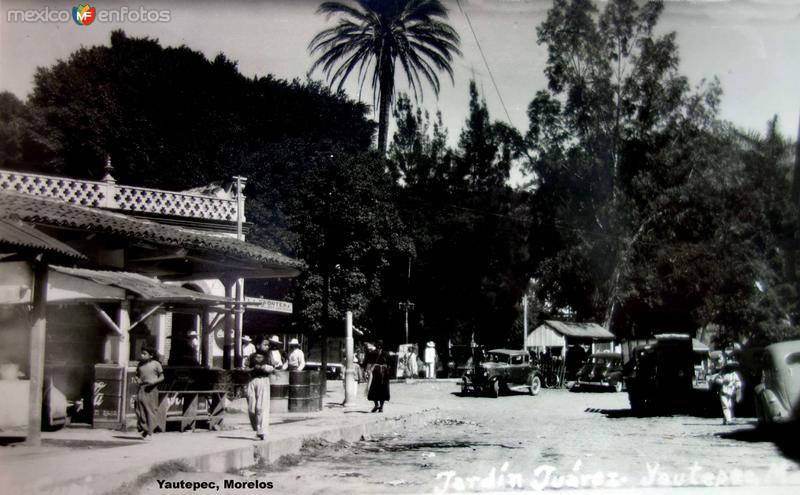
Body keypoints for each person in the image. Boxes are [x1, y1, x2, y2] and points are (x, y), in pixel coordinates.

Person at [246, 336, 275, 440]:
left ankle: (261, 431)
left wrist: (266, 368)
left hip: (263, 380)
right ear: (258, 345)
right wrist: (251, 369)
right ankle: (256, 427)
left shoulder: (269, 355)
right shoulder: (252, 356)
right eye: (265, 344)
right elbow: (247, 368)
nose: (267, 346)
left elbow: (273, 367)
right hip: (252, 381)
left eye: (268, 345)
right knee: (251, 408)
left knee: (261, 407)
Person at [134, 346, 164, 441]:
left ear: (151, 355)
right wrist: (137, 379)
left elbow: (162, 377)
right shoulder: (140, 364)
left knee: (149, 410)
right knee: (139, 409)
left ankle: (149, 432)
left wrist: (154, 382)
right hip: (142, 388)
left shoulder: (156, 364)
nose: (142, 355)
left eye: (144, 354)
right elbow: (137, 375)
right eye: (141, 353)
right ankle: (144, 428)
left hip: (152, 388)